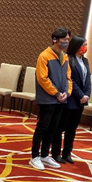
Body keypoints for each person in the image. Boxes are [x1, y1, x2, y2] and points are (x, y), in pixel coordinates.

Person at [29, 27, 72, 171]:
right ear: (55, 40)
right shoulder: (44, 56)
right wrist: (56, 93)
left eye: (68, 39)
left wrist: (66, 92)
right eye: (64, 39)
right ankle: (34, 156)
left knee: (53, 128)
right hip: (48, 99)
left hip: (61, 99)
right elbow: (42, 78)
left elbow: (68, 78)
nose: (66, 42)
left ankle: (44, 155)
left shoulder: (65, 57)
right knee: (42, 127)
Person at [52, 36, 91, 164]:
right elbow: (70, 81)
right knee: (60, 127)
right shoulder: (68, 59)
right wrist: (80, 95)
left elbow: (88, 80)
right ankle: (56, 153)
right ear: (76, 46)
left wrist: (87, 95)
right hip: (70, 99)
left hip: (81, 101)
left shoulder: (85, 61)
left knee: (72, 129)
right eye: (83, 45)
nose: (85, 47)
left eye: (86, 45)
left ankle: (67, 153)